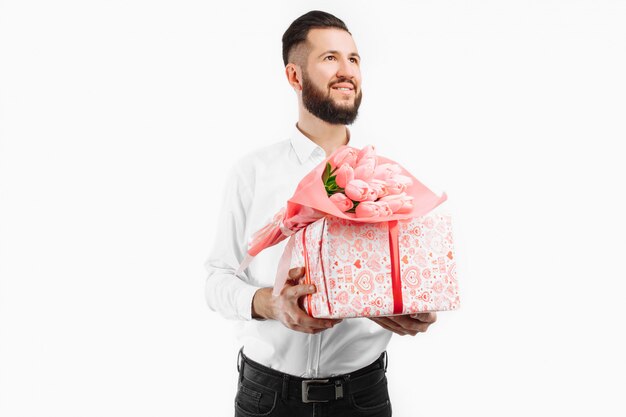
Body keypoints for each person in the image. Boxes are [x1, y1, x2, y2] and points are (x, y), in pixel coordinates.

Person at [204, 10, 437, 417]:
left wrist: (413, 306)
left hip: (362, 397)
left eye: (353, 59)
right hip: (267, 398)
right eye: (330, 58)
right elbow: (217, 279)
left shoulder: (390, 182)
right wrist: (270, 303)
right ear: (294, 77)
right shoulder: (254, 172)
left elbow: (403, 279)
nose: (347, 71)